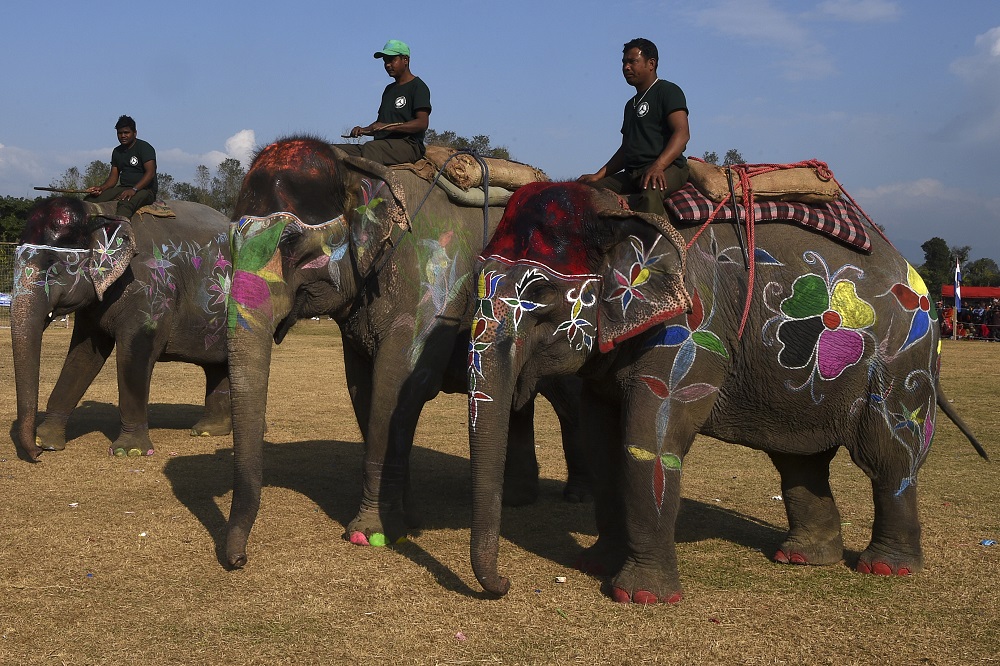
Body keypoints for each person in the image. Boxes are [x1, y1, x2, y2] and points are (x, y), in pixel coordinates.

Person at [578, 37, 690, 217]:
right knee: (587, 190)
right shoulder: (630, 105)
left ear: (651, 63)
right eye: (624, 62)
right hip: (634, 173)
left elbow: (682, 133)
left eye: (632, 62)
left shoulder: (668, 91)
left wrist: (658, 166)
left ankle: (657, 243)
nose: (626, 67)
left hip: (668, 168)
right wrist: (598, 175)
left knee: (650, 194)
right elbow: (626, 149)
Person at [334, 39, 432, 165]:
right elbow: (380, 124)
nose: (387, 65)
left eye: (392, 60)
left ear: (405, 60)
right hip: (382, 145)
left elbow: (422, 123)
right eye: (385, 61)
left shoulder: (418, 86)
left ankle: (372, 184)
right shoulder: (389, 90)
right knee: (333, 150)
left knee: (371, 148)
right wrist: (363, 130)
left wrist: (389, 127)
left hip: (408, 145)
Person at [85, 115, 157, 219]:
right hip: (124, 187)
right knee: (89, 200)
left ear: (135, 133)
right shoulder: (117, 151)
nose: (123, 136)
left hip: (145, 190)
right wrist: (101, 188)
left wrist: (134, 189)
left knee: (125, 205)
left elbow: (150, 173)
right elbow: (113, 177)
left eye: (126, 132)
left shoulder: (145, 148)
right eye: (119, 133)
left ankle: (121, 234)